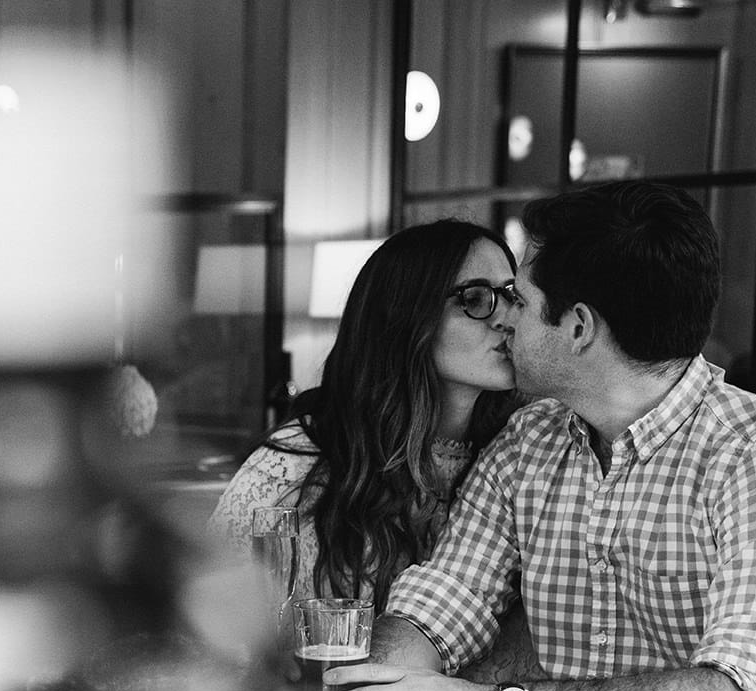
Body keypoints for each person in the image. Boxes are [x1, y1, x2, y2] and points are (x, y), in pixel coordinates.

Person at [315, 180, 756, 691]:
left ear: (579, 328)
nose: (506, 322)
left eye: (520, 302)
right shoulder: (527, 445)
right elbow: (437, 610)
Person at [210, 220, 522, 616]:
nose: (507, 319)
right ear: (407, 315)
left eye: (513, 295)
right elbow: (216, 615)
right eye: (476, 298)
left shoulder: (520, 449)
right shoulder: (301, 464)